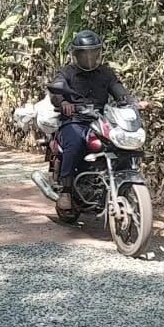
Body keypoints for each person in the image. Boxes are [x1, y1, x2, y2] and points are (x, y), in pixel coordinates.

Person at [48, 29, 136, 213]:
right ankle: (66, 190)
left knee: (122, 143)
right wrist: (63, 102)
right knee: (74, 141)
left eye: (92, 52)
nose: (88, 57)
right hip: (75, 120)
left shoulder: (106, 73)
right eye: (83, 53)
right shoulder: (67, 72)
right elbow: (55, 92)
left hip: (101, 120)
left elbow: (117, 89)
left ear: (98, 52)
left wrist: (130, 102)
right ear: (76, 54)